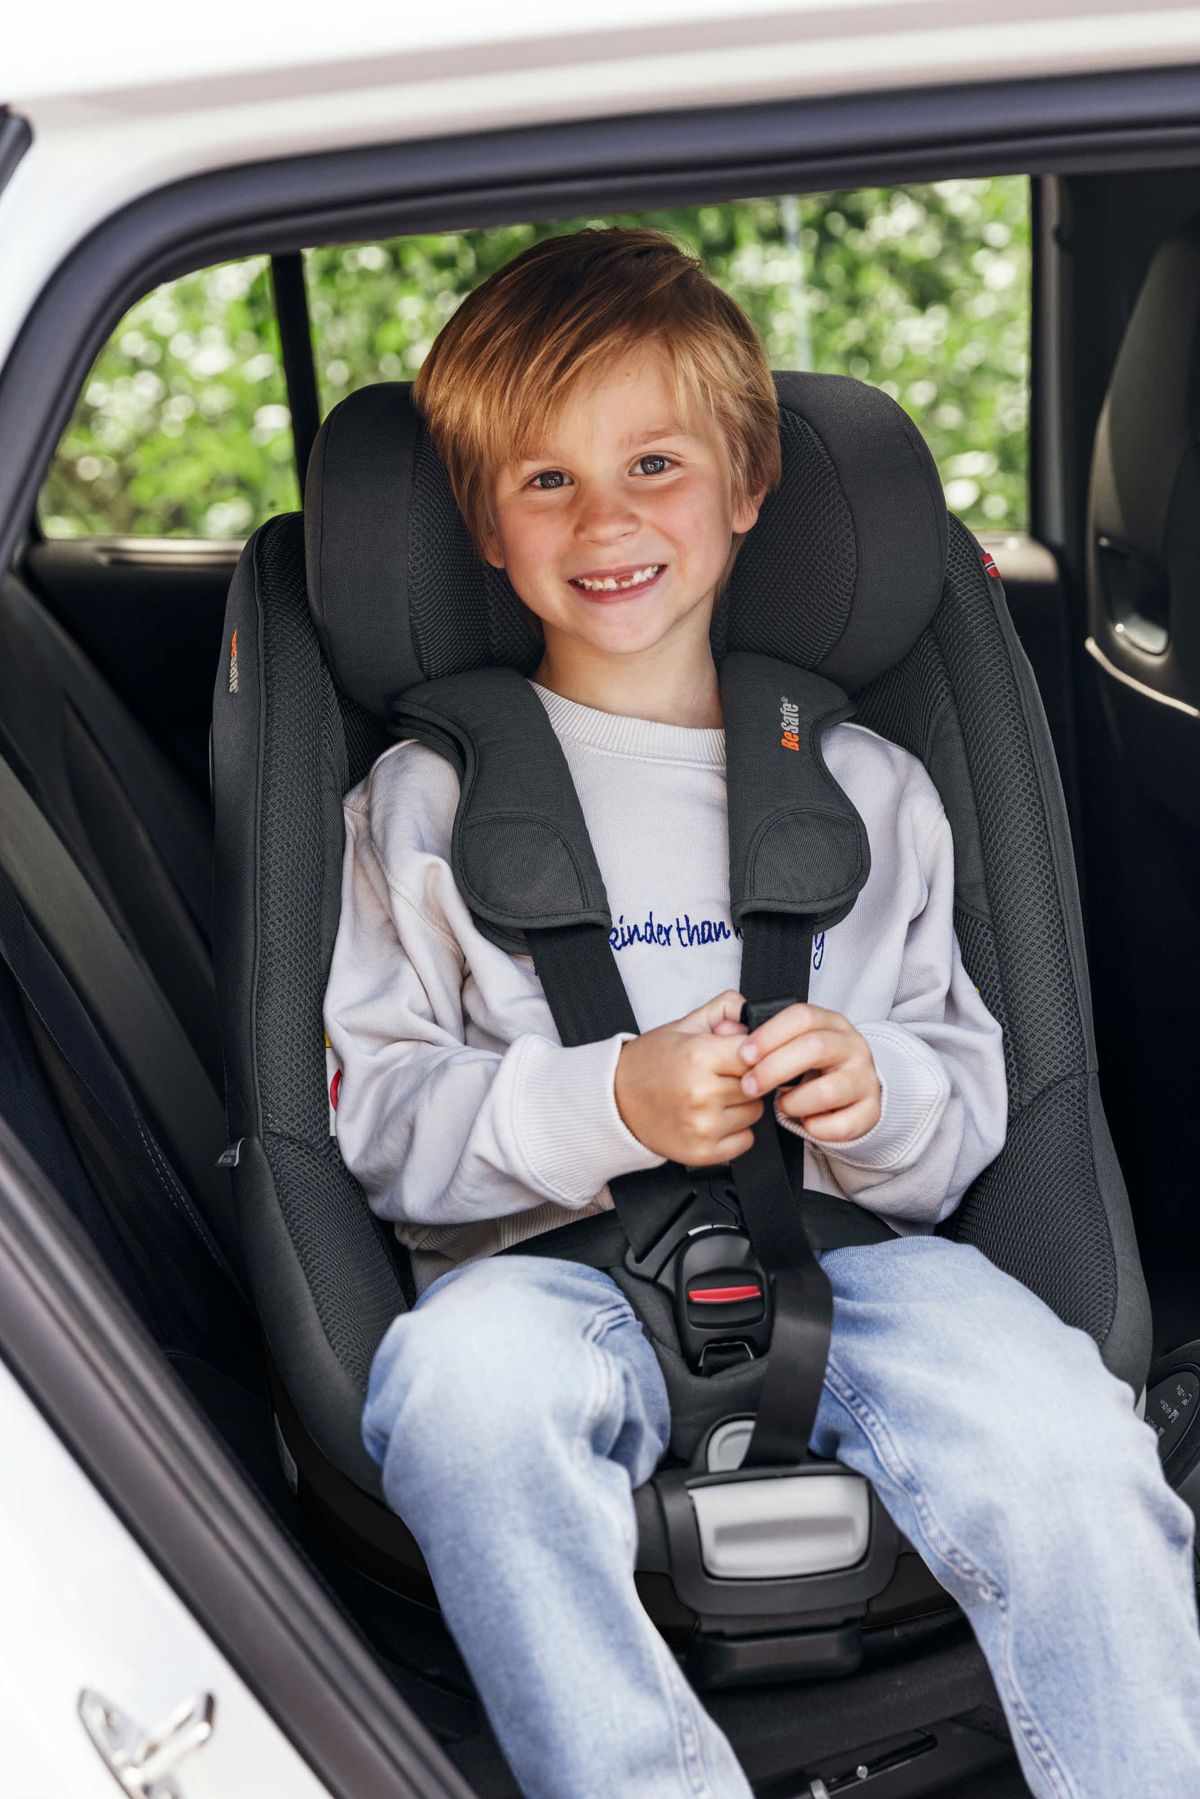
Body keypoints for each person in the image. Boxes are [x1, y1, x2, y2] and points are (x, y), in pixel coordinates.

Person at [323, 227, 1200, 1797]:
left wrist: (876, 1093)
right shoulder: (424, 801)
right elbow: (383, 1120)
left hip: (866, 1268)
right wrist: (609, 1101)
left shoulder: (868, 785)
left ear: (746, 487)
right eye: (546, 480)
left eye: (654, 464)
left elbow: (961, 1097)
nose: (606, 521)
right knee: (453, 1401)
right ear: (483, 523)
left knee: (1072, 1441)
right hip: (539, 1273)